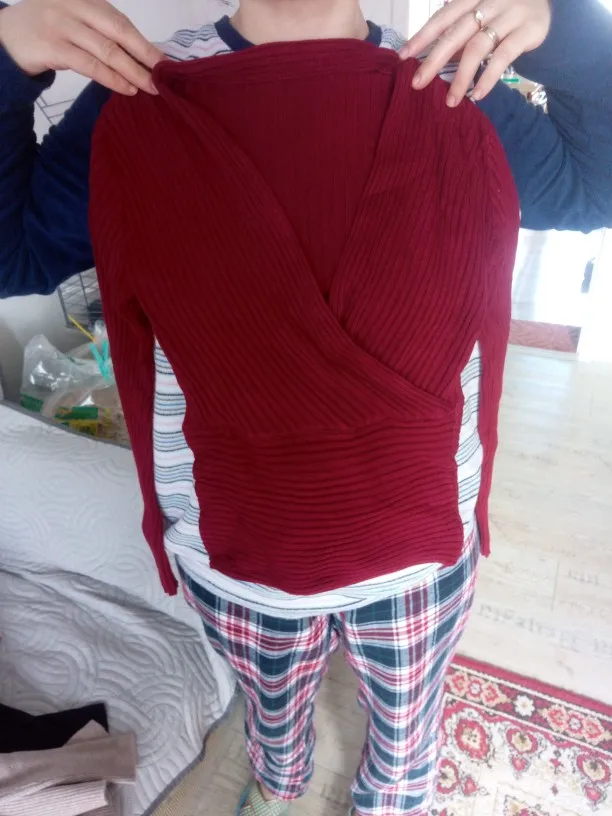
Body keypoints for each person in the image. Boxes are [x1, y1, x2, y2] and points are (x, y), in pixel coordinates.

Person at [1, 1, 611, 815]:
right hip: (239, 560)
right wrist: (7, 57)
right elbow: (13, 250)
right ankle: (280, 778)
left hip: (418, 558)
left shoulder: (453, 84)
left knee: (407, 728)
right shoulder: (141, 93)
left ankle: (387, 795)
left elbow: (597, 184)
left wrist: (564, 25)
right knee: (273, 715)